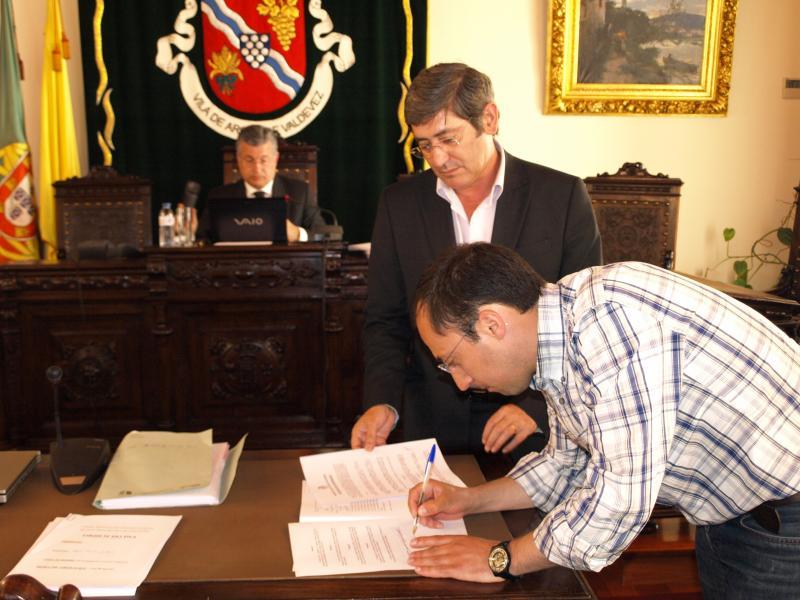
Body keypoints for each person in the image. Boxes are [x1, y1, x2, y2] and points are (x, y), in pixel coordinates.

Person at [406, 242, 800, 599]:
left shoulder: (611, 323)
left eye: (452, 361)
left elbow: (617, 500)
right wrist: (468, 500)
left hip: (784, 515)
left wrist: (500, 559)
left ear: (492, 324)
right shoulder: (559, 335)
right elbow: (566, 465)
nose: (460, 382)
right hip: (735, 512)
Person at [351, 63, 602, 458]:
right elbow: (385, 318)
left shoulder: (560, 196)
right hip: (433, 418)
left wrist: (536, 408)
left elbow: (583, 320)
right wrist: (382, 401)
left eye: (448, 139)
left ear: (489, 118)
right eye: (424, 145)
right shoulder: (399, 204)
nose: (438, 158)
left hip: (530, 426)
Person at [197, 125, 324, 242]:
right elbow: (202, 239)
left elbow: (324, 235)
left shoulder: (300, 193)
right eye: (249, 160)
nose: (257, 168)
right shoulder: (219, 197)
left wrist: (297, 234)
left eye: (263, 160)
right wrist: (190, 234)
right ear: (238, 160)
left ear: (276, 158)